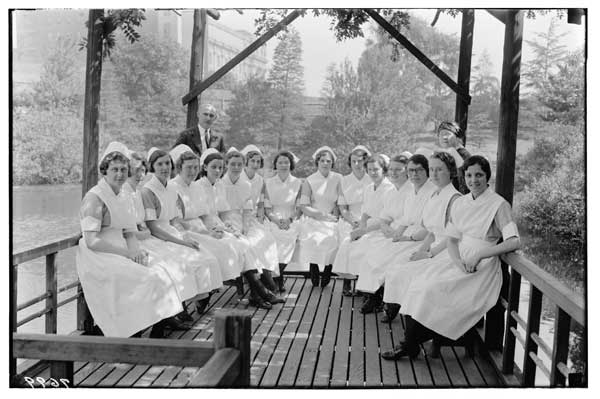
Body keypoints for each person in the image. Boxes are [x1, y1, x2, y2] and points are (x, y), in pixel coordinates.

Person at [380, 155, 521, 360]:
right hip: (457, 258)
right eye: (469, 175)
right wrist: (455, 261)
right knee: (417, 282)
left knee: (429, 289)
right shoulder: (462, 203)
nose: (474, 180)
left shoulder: (498, 205)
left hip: (481, 266)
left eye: (479, 175)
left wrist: (479, 254)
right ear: (463, 177)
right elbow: (452, 239)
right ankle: (411, 343)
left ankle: (410, 343)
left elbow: (514, 241)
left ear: (487, 176)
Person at [76, 142, 183, 338]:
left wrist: (136, 252)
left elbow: (129, 232)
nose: (119, 174)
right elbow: (91, 241)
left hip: (123, 247)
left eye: (124, 169)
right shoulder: (94, 198)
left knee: (162, 271)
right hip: (100, 254)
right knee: (148, 279)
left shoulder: (123, 195)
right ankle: (132, 332)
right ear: (104, 172)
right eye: (114, 169)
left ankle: (153, 332)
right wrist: (128, 254)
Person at [141, 147, 223, 319]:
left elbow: (175, 219)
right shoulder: (148, 191)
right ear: (152, 167)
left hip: (173, 232)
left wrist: (185, 236)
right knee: (183, 264)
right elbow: (154, 227)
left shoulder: (171, 189)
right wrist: (182, 242)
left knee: (205, 258)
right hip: (157, 237)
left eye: (167, 163)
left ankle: (185, 304)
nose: (164, 168)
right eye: (160, 164)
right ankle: (175, 312)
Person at [194, 148, 282, 309]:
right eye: (214, 167)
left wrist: (232, 228)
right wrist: (219, 228)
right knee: (243, 245)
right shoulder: (200, 186)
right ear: (205, 167)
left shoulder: (219, 185)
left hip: (225, 223)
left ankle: (260, 291)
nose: (218, 171)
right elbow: (201, 214)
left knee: (252, 242)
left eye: (219, 167)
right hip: (206, 227)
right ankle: (262, 290)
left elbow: (225, 211)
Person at [379, 151, 461, 322]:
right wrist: (420, 252)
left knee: (413, 279)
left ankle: (413, 335)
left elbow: (451, 237)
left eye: (439, 169)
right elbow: (430, 231)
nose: (434, 174)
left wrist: (428, 254)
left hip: (447, 252)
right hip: (430, 245)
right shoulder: (434, 195)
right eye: (432, 170)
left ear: (451, 171)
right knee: (399, 269)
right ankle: (408, 327)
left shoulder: (455, 199)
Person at [356, 153, 438, 313]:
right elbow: (404, 219)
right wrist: (396, 235)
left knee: (392, 260)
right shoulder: (412, 192)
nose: (414, 175)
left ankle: (392, 303)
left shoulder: (431, 192)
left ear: (427, 171)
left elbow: (428, 227)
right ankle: (376, 296)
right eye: (412, 171)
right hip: (405, 232)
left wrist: (404, 237)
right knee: (375, 254)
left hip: (421, 237)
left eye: (419, 170)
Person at [167, 144, 243, 286]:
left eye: (195, 167)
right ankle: (206, 291)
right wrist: (206, 233)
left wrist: (213, 229)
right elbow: (176, 221)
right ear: (179, 168)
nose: (193, 171)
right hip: (186, 231)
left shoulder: (196, 186)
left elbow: (205, 215)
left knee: (230, 243)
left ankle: (210, 289)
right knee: (220, 249)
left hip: (202, 228)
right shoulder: (172, 187)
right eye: (189, 167)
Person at [220, 148, 283, 302]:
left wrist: (246, 227)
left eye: (239, 164)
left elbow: (248, 210)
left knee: (265, 239)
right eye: (232, 164)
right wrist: (230, 227)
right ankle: (261, 291)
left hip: (245, 220)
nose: (236, 168)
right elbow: (218, 212)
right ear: (226, 165)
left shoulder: (246, 185)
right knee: (249, 245)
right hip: (226, 221)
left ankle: (263, 286)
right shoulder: (220, 183)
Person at [332, 153, 395, 295]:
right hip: (368, 228)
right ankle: (361, 285)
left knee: (365, 250)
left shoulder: (389, 189)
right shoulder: (369, 188)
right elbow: (365, 213)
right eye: (370, 169)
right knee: (348, 244)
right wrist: (360, 228)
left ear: (383, 170)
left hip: (382, 229)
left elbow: (387, 220)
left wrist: (363, 231)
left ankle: (374, 292)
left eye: (376, 169)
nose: (372, 172)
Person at [298, 146, 343, 287]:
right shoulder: (309, 180)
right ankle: (314, 267)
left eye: (328, 161)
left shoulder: (338, 178)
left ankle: (328, 269)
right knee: (313, 238)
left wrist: (334, 215)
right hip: (314, 217)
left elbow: (340, 201)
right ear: (317, 162)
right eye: (322, 160)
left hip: (332, 217)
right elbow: (304, 205)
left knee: (333, 238)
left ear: (332, 163)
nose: (325, 163)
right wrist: (320, 216)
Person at [263, 150, 303, 292]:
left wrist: (289, 220)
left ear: (291, 164)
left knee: (289, 237)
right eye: (280, 162)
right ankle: (276, 279)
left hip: (291, 217)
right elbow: (267, 209)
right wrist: (277, 220)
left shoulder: (298, 183)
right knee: (273, 237)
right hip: (273, 218)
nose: (283, 165)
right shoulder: (268, 183)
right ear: (276, 165)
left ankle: (278, 277)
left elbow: (299, 208)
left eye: (286, 162)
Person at [435, 121, 471, 194]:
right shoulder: (444, 154)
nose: (444, 137)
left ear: (456, 136)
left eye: (448, 134)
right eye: (441, 134)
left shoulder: (464, 154)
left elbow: (465, 181)